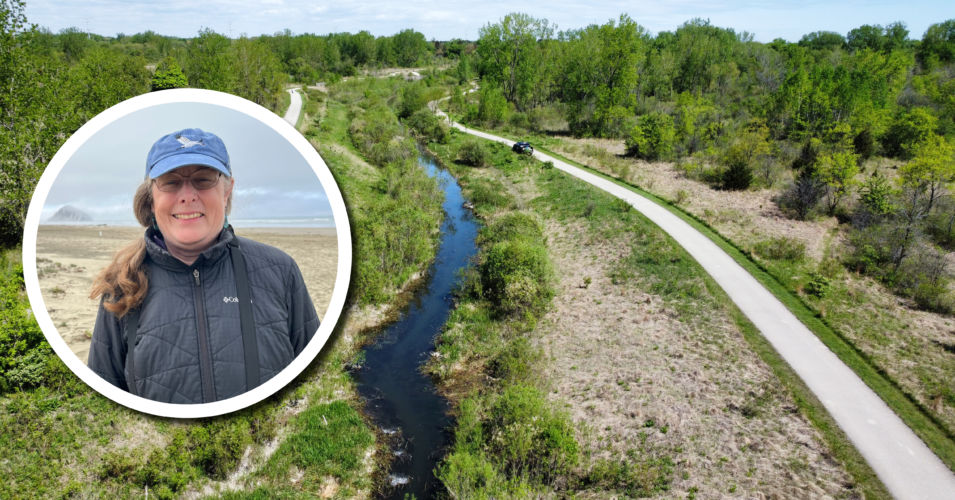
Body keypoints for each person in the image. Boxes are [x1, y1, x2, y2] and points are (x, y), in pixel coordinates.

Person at [87, 128, 319, 404]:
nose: (187, 195)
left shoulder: (280, 271)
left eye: (203, 179)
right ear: (151, 196)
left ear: (227, 189)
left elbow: (319, 382)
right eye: (171, 182)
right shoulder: (121, 287)